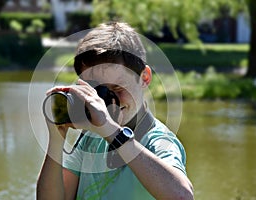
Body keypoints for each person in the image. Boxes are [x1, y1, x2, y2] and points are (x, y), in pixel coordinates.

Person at [36, 22, 194, 200]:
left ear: (144, 78)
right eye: (97, 92)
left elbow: (182, 196)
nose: (108, 101)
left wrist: (110, 130)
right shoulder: (90, 139)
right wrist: (57, 139)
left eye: (118, 88)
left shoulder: (159, 141)